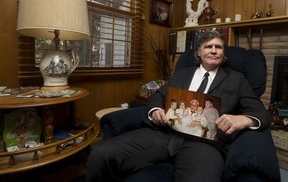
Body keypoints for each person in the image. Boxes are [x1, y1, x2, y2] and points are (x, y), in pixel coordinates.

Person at [86, 30, 271, 182]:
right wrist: (155, 110)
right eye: (209, 46)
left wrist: (243, 119)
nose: (214, 51)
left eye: (219, 47)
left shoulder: (236, 79)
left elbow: (261, 113)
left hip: (204, 145)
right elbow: (158, 96)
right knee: (102, 153)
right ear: (199, 52)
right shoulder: (182, 73)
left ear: (223, 54)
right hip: (165, 134)